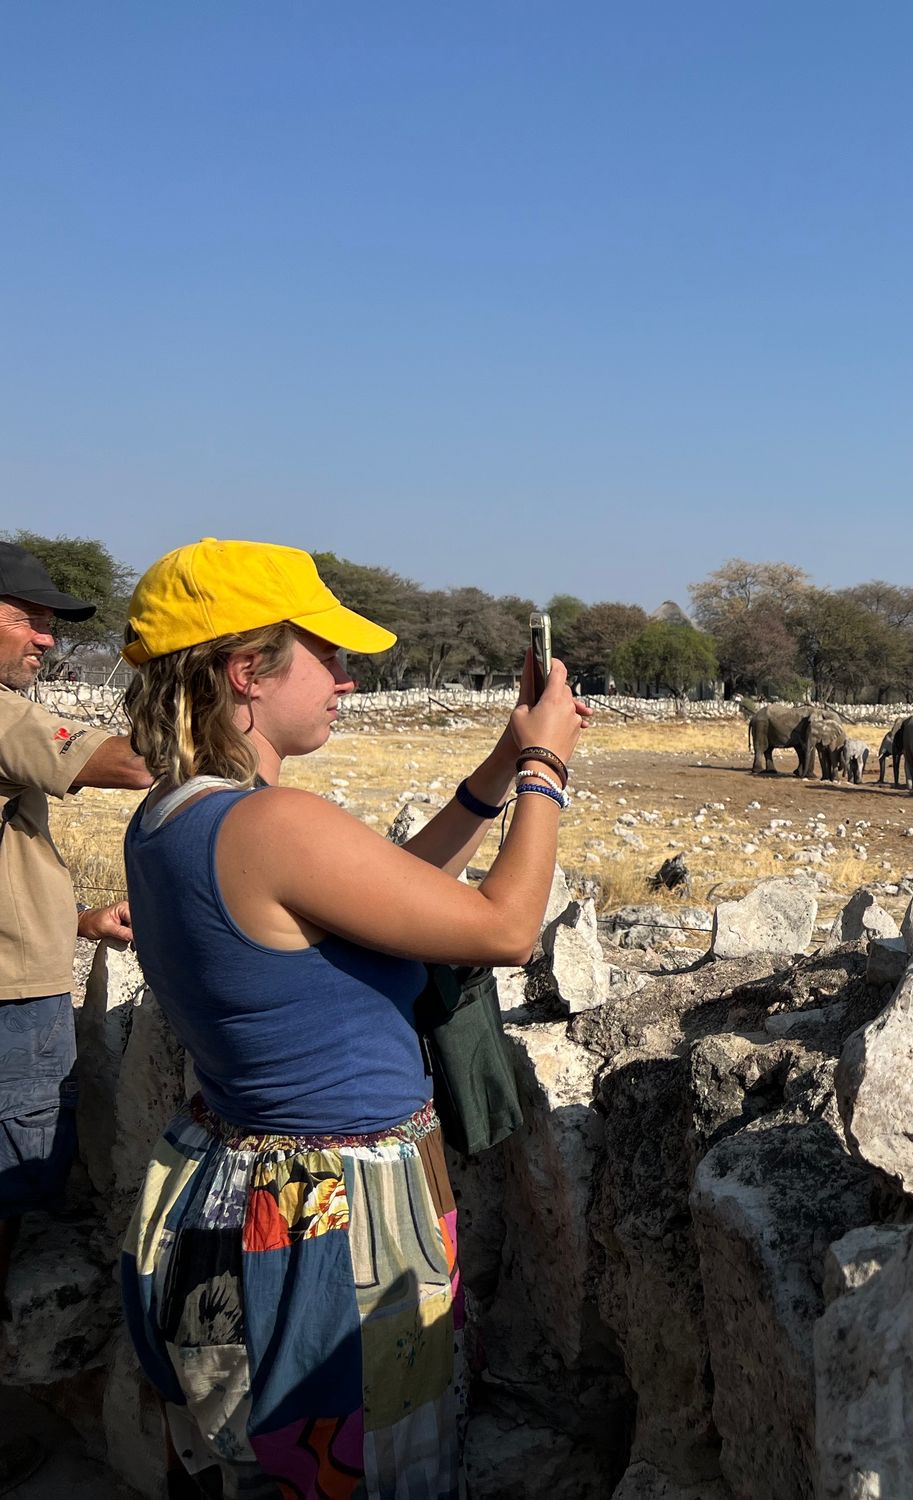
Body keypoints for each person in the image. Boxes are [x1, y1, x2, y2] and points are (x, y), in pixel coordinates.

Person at [114, 539, 586, 1499]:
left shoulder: (173, 817)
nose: (350, 678)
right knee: (360, 1476)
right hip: (329, 1229)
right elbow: (503, 927)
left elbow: (387, 894)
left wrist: (496, 767)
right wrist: (545, 766)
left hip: (236, 1194)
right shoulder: (273, 827)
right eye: (327, 655)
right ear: (248, 671)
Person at [0, 541, 152, 1485]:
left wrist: (78, 916)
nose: (46, 640)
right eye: (30, 617)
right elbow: (126, 765)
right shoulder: (2, 713)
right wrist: (207, 704)